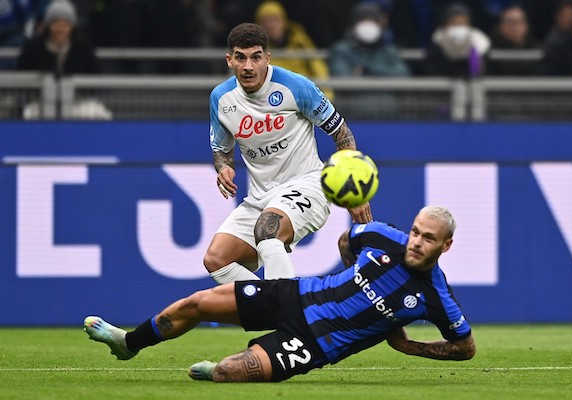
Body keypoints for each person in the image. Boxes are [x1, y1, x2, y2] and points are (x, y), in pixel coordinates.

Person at [84, 205, 476, 383]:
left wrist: (410, 347)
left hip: (313, 343)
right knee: (197, 303)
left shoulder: (435, 297)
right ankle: (128, 343)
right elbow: (347, 240)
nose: (416, 242)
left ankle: (217, 374)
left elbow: (465, 346)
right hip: (294, 295)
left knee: (228, 371)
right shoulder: (382, 237)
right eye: (415, 232)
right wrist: (347, 276)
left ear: (446, 246)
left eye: (428, 238)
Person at [205, 22, 370, 284]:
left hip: (308, 185)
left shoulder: (296, 86)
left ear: (267, 59)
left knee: (267, 231)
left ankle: (288, 312)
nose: (248, 66)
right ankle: (273, 310)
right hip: (260, 198)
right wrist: (224, 167)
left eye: (256, 57)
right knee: (216, 259)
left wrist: (355, 194)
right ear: (229, 60)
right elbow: (221, 150)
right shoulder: (221, 99)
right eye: (241, 57)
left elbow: (342, 133)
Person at [254, 0, 331, 98]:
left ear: (284, 21)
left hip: (305, 99)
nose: (270, 26)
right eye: (265, 21)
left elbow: (318, 68)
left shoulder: (300, 42)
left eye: (275, 20)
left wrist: (326, 97)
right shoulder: (255, 52)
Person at [17, 0, 98, 77]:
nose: (61, 29)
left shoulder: (83, 47)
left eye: (65, 25)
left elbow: (94, 77)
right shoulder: (32, 48)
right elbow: (23, 77)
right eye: (56, 24)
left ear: (72, 27)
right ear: (48, 26)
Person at [328, 2, 411, 77]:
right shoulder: (341, 50)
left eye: (372, 21)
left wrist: (368, 71)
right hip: (355, 94)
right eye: (363, 20)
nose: (368, 25)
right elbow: (341, 78)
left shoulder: (388, 50)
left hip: (384, 94)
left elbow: (403, 74)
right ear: (354, 24)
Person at [422, 2, 491, 78]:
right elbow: (433, 73)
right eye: (454, 22)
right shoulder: (436, 46)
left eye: (462, 22)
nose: (458, 26)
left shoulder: (479, 45)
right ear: (445, 24)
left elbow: (480, 72)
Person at [488, 4, 540, 76]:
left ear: (526, 26)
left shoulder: (538, 50)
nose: (514, 27)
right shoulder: (490, 52)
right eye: (509, 22)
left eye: (518, 21)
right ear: (500, 26)